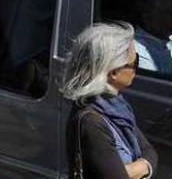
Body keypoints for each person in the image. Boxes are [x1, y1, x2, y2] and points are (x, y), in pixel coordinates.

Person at [60, 23, 158, 179]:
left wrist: (138, 167)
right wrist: (141, 166)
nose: (136, 70)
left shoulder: (117, 108)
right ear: (113, 72)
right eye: (135, 63)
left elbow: (150, 152)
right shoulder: (92, 122)